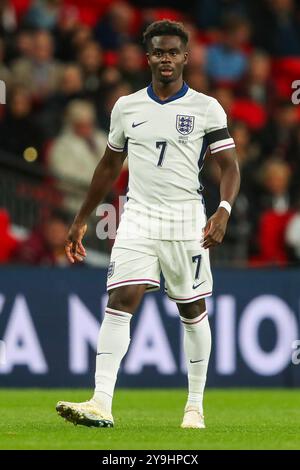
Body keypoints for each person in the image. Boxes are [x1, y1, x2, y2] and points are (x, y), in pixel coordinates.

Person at [56, 20, 240, 429]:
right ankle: (101, 401)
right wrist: (81, 220)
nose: (166, 59)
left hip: (185, 219)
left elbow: (230, 166)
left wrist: (223, 209)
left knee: (192, 309)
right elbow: (108, 166)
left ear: (185, 57)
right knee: (121, 299)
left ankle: (195, 406)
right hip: (137, 217)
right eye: (158, 52)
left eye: (173, 52)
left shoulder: (207, 108)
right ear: (148, 57)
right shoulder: (126, 107)